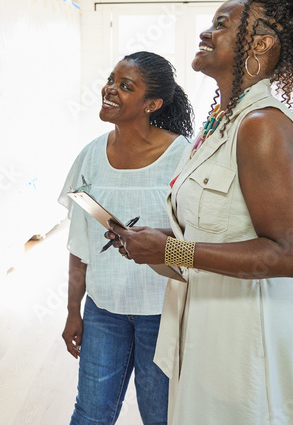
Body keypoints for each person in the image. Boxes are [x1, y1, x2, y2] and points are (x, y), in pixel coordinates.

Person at [107, 0, 293, 424]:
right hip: (210, 317)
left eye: (221, 24)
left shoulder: (261, 126)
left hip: (249, 331)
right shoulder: (221, 121)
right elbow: (214, 230)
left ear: (260, 44)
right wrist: (158, 241)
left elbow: (288, 255)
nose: (206, 32)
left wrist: (171, 249)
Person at [59, 51, 195, 425]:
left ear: (152, 103)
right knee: (90, 414)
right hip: (103, 312)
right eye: (111, 79)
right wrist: (74, 310)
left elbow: (199, 238)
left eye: (125, 85)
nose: (110, 89)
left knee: (161, 417)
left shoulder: (183, 157)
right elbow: (81, 242)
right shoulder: (90, 156)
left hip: (163, 314)